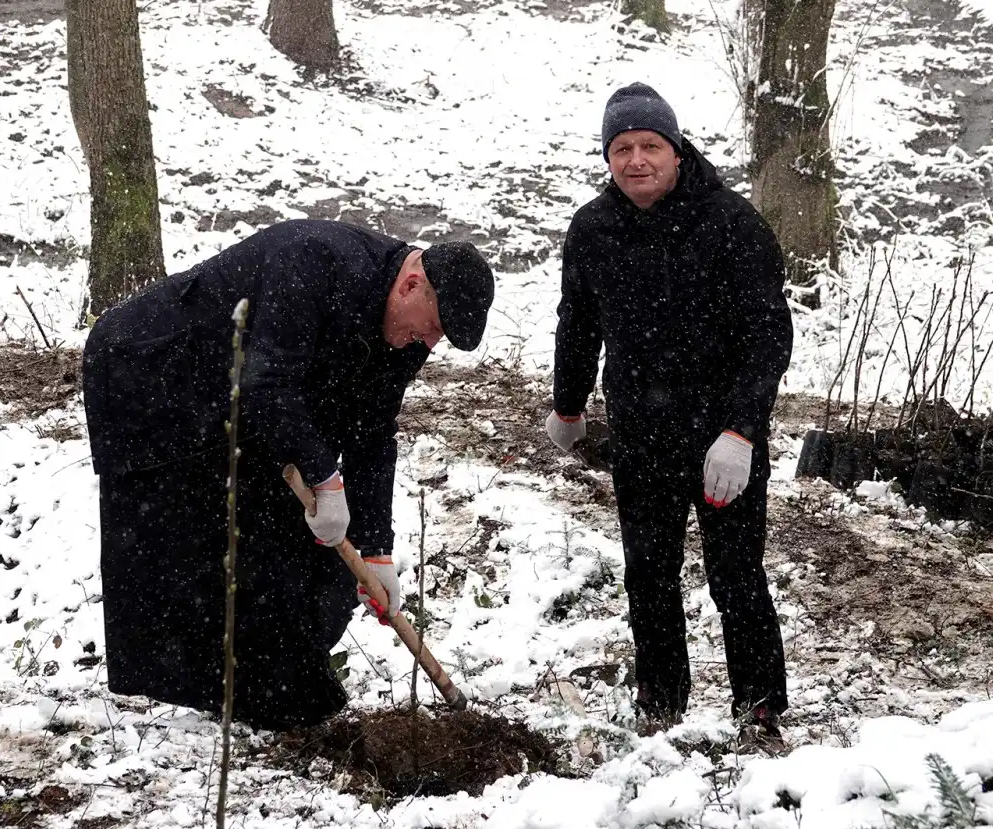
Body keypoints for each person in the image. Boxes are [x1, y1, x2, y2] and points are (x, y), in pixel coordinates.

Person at [81, 219, 494, 731]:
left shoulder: (405, 333)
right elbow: (268, 383)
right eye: (431, 327)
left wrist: (375, 549)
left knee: (299, 549)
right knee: (200, 536)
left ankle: (272, 687)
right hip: (155, 372)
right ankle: (247, 692)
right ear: (411, 285)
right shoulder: (314, 261)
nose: (429, 343)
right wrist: (324, 478)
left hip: (239, 395)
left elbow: (371, 433)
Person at [544, 82, 794, 746]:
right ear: (608, 157)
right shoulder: (594, 230)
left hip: (721, 437)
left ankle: (760, 709)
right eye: (621, 148)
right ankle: (660, 700)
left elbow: (768, 336)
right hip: (640, 432)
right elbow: (578, 322)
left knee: (735, 574)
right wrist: (568, 403)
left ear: (676, 150)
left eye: (649, 145)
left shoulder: (731, 224)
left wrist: (741, 430)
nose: (636, 160)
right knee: (648, 571)